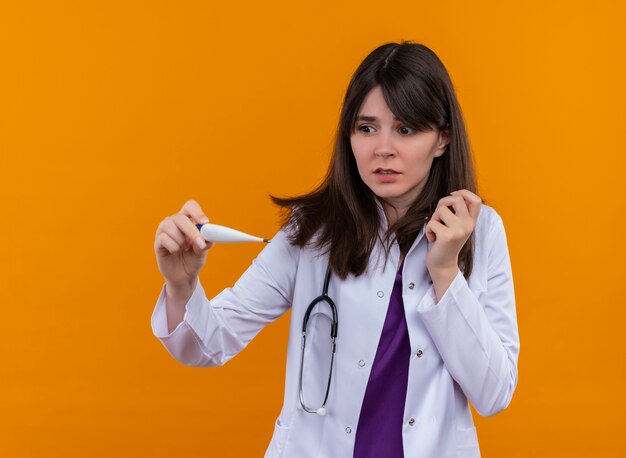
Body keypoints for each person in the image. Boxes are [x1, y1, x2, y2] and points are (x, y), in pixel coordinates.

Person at [151, 41, 520, 458]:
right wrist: (181, 286)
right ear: (349, 136)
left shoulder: (482, 232)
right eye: (366, 128)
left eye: (405, 129)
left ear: (442, 139)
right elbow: (210, 343)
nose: (383, 148)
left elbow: (495, 393)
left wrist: (446, 273)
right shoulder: (311, 232)